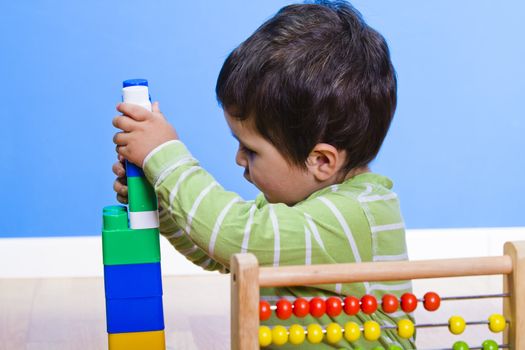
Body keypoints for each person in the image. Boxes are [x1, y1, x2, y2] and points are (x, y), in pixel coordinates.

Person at [112, 1, 413, 348]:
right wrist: (162, 205)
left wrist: (164, 158)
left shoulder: (352, 216)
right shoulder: (300, 210)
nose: (239, 158)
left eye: (251, 149)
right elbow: (218, 251)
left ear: (321, 161)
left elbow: (229, 235)